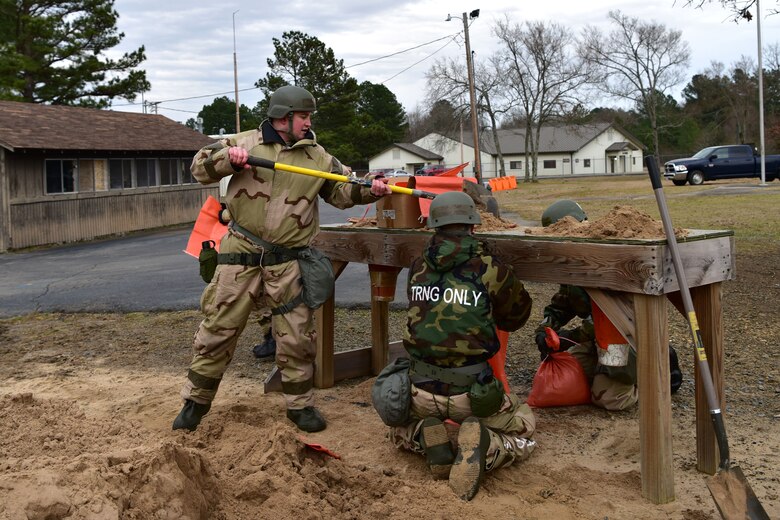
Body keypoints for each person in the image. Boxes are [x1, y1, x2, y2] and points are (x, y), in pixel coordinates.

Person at [173, 85, 392, 433]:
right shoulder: (244, 143)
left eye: (308, 117)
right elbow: (200, 167)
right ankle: (195, 403)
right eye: (303, 116)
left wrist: (370, 188)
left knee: (297, 337)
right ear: (283, 117)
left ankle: (300, 406)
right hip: (241, 252)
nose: (308, 123)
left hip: (289, 261)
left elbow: (343, 189)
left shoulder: (318, 158)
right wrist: (225, 161)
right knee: (218, 330)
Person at [387, 191, 537, 501]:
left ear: (435, 227)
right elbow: (517, 317)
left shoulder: (417, 266)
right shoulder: (489, 267)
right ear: (473, 226)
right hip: (471, 394)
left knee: (396, 431)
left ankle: (428, 439)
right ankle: (487, 447)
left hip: (421, 392)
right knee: (524, 425)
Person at [534, 200, 683, 411]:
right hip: (598, 340)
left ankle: (658, 371)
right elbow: (562, 303)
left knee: (609, 398)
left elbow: (611, 317)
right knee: (565, 371)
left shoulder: (609, 260)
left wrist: (572, 337)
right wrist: (545, 329)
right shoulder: (572, 261)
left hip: (622, 339)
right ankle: (612, 371)